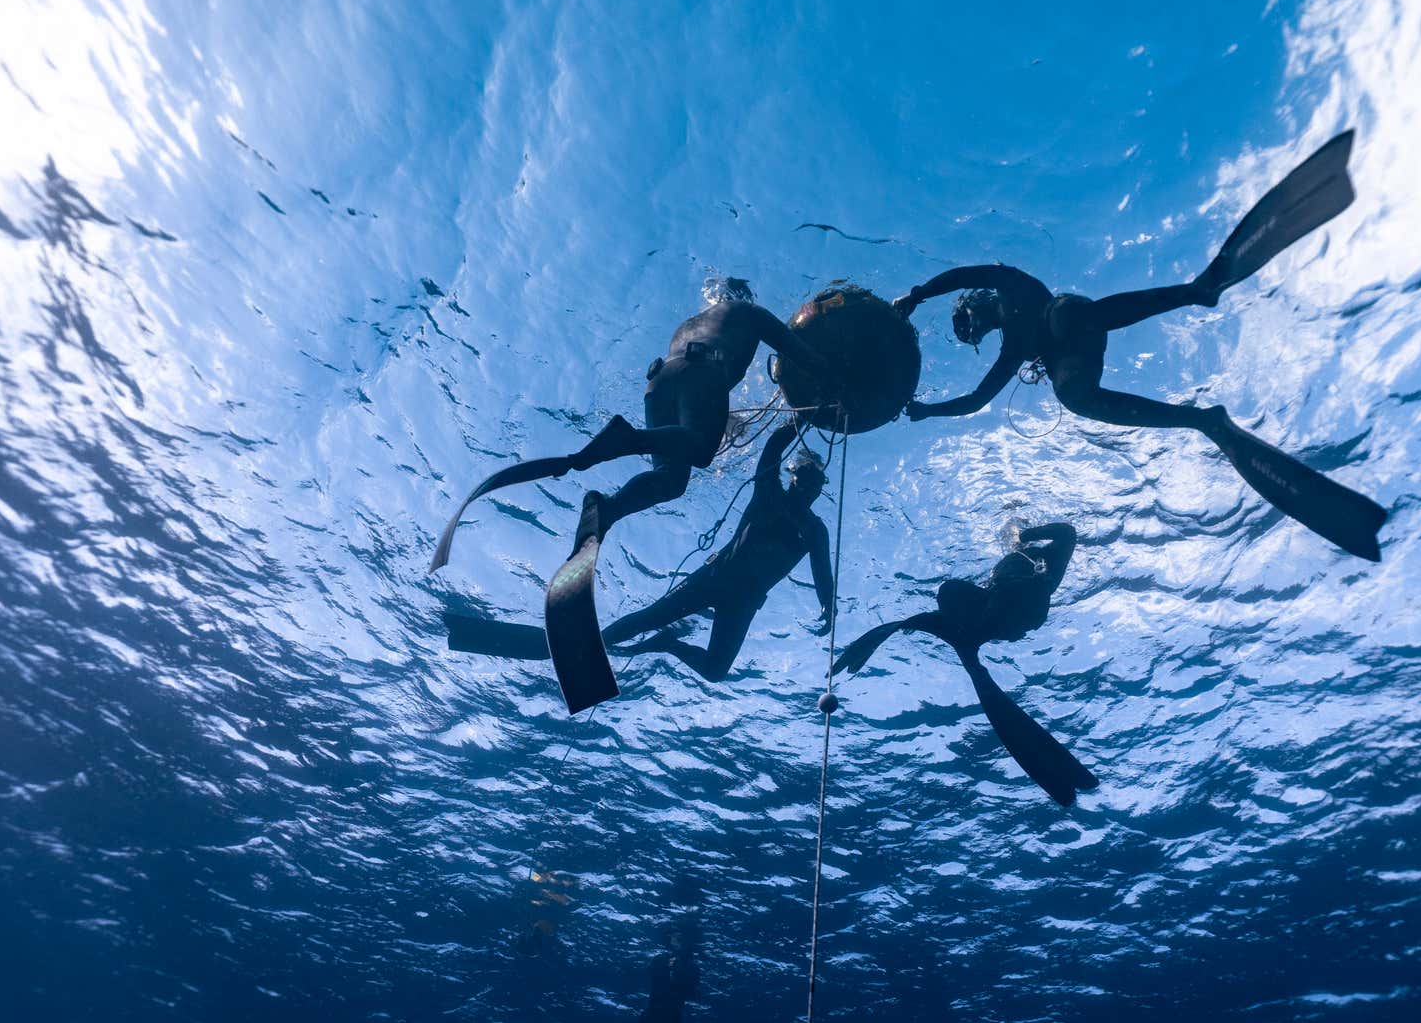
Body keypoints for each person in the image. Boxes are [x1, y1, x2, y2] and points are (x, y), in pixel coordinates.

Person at [891, 132, 1389, 562]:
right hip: (1072, 359)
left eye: (965, 319)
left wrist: (917, 295)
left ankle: (1200, 289)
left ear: (974, 304)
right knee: (1074, 399)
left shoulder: (1009, 284)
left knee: (1066, 316)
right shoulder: (1014, 351)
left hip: (1070, 314)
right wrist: (927, 412)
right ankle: (1203, 420)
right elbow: (978, 400)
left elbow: (962, 275)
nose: (971, 328)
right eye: (968, 333)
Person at [428, 278, 833, 570]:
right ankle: (628, 438)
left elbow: (693, 387)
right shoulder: (749, 313)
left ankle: (608, 509)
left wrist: (724, 421)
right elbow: (796, 350)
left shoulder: (692, 324)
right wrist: (835, 382)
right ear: (743, 297)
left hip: (659, 382)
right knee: (703, 453)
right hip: (704, 373)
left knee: (672, 480)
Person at [445, 418, 833, 680]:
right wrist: (804, 416)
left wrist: (827, 607)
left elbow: (823, 573)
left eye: (814, 482)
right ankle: (582, 645)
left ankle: (667, 644)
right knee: (645, 619)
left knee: (715, 670)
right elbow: (774, 446)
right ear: (793, 477)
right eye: (802, 477)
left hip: (746, 601)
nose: (806, 485)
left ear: (819, 488)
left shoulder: (815, 531)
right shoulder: (768, 491)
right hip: (716, 577)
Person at [834, 523, 1098, 805]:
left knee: (953, 604)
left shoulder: (1046, 561)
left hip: (1005, 609)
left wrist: (1024, 536)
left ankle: (959, 637)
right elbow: (1067, 534)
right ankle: (961, 638)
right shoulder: (1042, 565)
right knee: (955, 605)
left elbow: (1067, 533)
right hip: (996, 614)